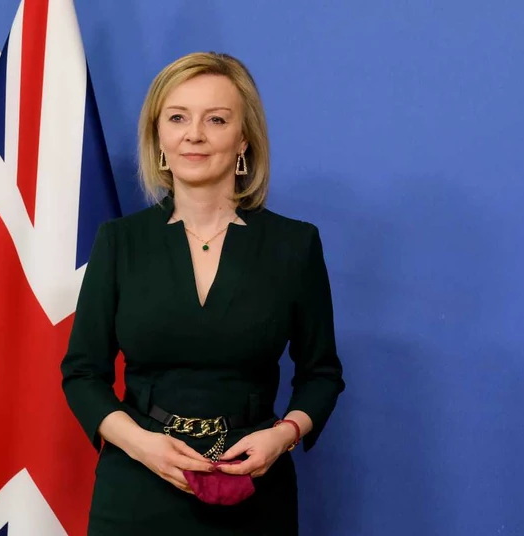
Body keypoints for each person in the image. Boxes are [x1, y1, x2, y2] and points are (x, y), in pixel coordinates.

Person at [61, 51, 345, 535]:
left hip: (253, 491)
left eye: (216, 119)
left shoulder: (294, 245)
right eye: (177, 118)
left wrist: (283, 435)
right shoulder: (119, 242)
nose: (194, 134)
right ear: (158, 138)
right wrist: (140, 444)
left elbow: (321, 374)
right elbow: (82, 374)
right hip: (136, 488)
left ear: (244, 139)